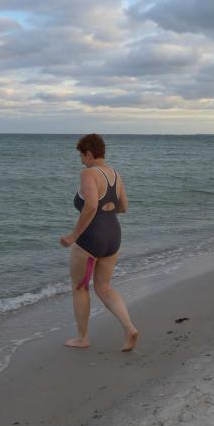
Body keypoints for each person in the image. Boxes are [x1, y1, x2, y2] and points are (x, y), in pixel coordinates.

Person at [59, 133, 139, 351]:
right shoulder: (115, 174)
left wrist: (73, 236)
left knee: (80, 288)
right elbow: (124, 206)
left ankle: (82, 339)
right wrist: (107, 213)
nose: (81, 161)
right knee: (104, 287)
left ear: (89, 154)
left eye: (81, 156)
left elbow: (92, 205)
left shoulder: (88, 173)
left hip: (91, 238)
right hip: (113, 235)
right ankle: (129, 328)